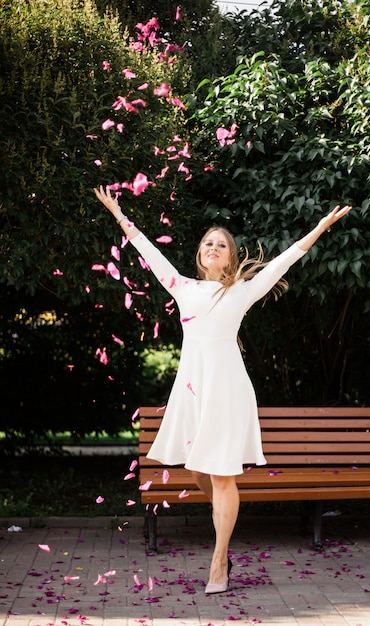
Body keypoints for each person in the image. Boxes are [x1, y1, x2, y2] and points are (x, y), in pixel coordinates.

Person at [94, 185, 352, 594]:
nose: (214, 247)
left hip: (228, 389)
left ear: (231, 256)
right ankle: (222, 527)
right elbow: (147, 250)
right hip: (193, 390)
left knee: (223, 476)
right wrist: (118, 213)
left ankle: (219, 560)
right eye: (208, 243)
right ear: (200, 253)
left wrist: (320, 227)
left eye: (221, 244)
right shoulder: (183, 287)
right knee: (198, 469)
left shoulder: (242, 291)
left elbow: (284, 261)